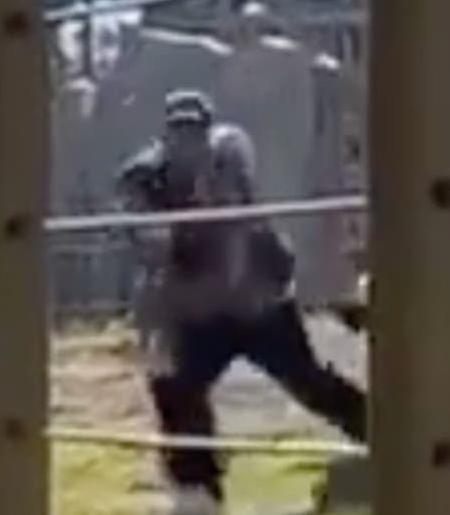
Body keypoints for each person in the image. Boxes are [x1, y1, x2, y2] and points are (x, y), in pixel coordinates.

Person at [116, 89, 367, 508]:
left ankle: (392, 438)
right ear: (165, 136)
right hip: (201, 315)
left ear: (207, 130)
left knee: (311, 383)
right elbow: (149, 246)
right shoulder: (146, 176)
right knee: (176, 390)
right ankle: (198, 489)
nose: (187, 141)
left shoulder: (228, 156)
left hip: (258, 306)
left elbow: (237, 237)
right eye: (178, 132)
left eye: (194, 130)